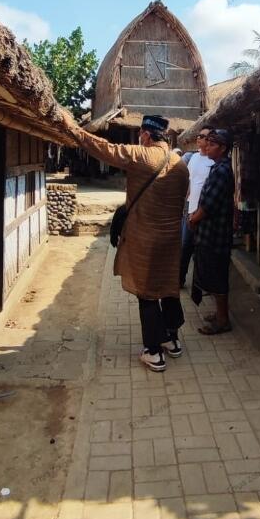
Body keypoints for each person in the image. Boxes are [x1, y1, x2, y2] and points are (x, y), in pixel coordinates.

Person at [79, 115, 189, 372]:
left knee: (146, 292)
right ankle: (172, 340)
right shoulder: (180, 164)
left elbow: (107, 150)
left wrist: (76, 132)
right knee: (168, 287)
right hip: (171, 238)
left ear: (147, 135)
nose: (140, 138)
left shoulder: (143, 156)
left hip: (145, 239)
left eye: (141, 134)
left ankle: (153, 352)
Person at [188, 129, 234, 334]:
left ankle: (223, 320)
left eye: (213, 144)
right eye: (208, 142)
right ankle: (220, 314)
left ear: (223, 148)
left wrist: (193, 219)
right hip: (211, 233)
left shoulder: (222, 171)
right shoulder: (218, 168)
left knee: (217, 278)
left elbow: (208, 206)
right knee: (214, 276)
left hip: (215, 235)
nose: (207, 146)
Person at [179, 127, 214, 287]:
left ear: (210, 140)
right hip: (189, 208)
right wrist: (185, 202)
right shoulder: (192, 158)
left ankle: (201, 284)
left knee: (202, 249)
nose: (198, 138)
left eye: (203, 136)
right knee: (185, 245)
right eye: (199, 135)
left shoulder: (214, 161)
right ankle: (179, 279)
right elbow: (189, 182)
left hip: (205, 212)